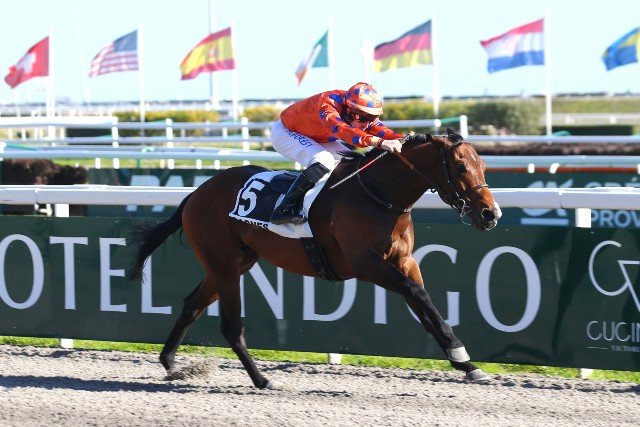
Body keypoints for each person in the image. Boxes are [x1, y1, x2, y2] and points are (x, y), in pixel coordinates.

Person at [269, 82, 404, 225]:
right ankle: (283, 210)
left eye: (372, 118)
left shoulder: (356, 109)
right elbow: (343, 131)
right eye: (363, 118)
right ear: (349, 110)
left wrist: (403, 138)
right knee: (323, 160)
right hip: (286, 132)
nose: (367, 124)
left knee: (352, 163)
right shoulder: (328, 104)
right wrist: (379, 142)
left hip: (316, 136)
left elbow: (379, 129)